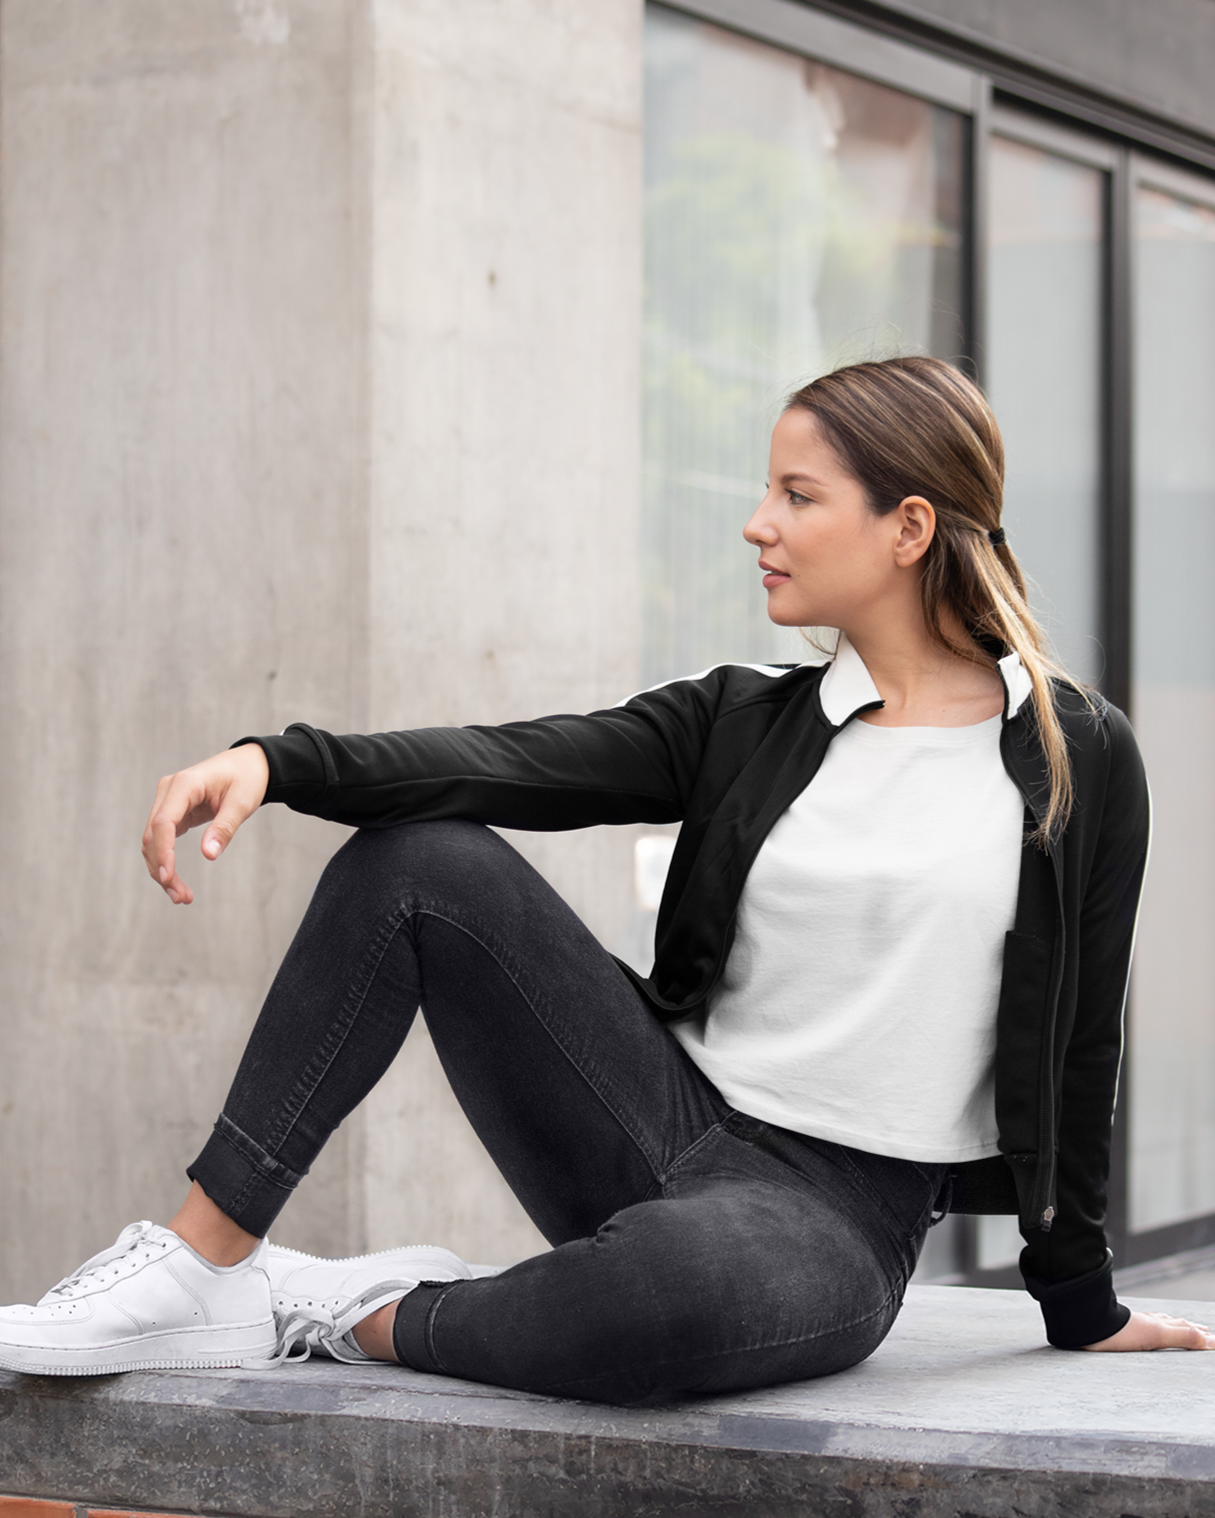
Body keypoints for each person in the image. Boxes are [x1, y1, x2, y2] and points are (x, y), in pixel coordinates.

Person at [1, 357, 1209, 1399]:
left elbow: (1081, 1043)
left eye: (797, 495)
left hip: (836, 1220)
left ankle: (334, 1312)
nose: (757, 523)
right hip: (657, 1113)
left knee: (664, 1304)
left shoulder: (1074, 754)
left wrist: (1081, 1302)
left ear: (907, 527)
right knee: (424, 864)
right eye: (766, 492)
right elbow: (500, 764)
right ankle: (202, 1263)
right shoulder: (746, 720)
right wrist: (279, 761)